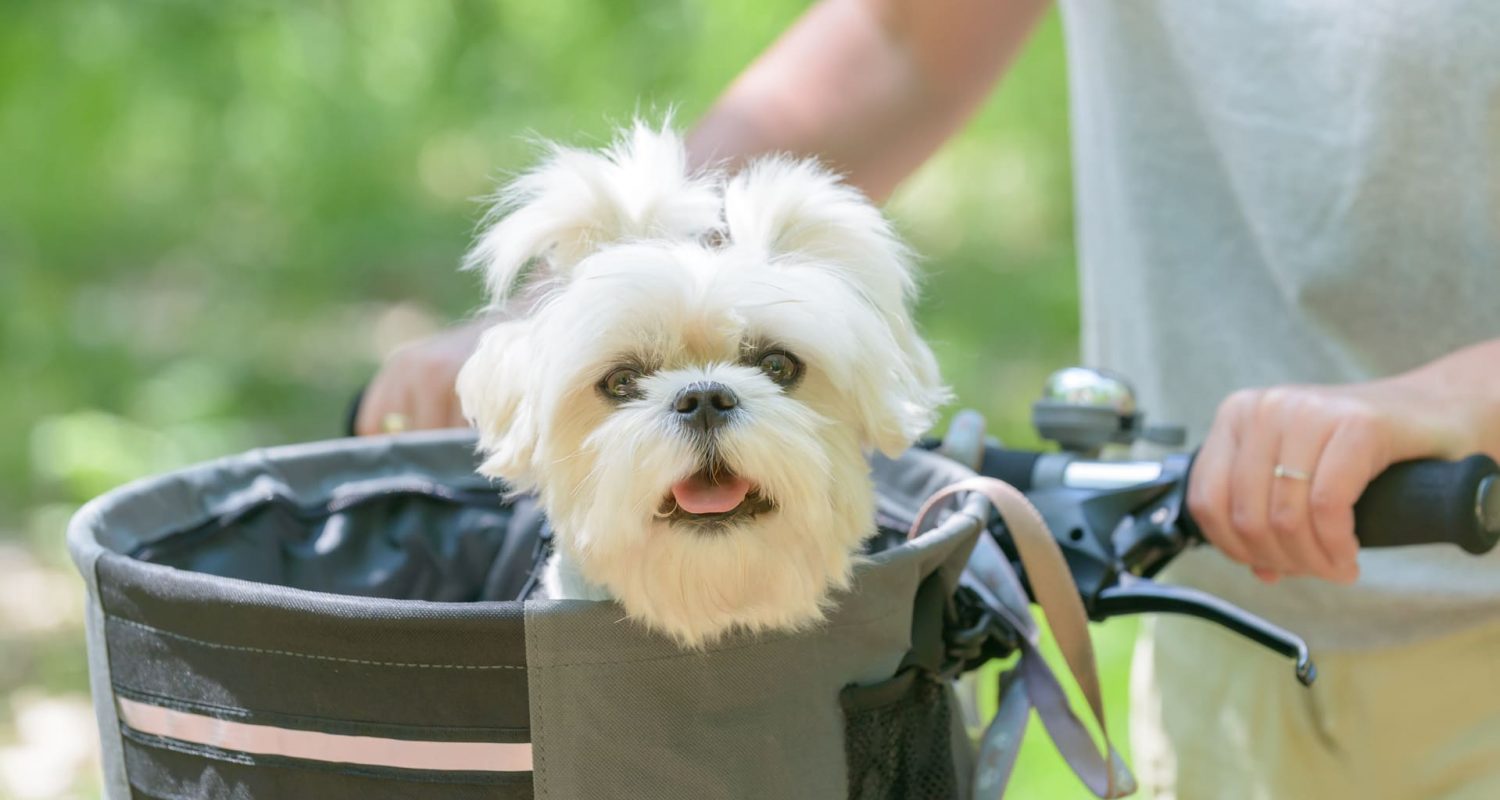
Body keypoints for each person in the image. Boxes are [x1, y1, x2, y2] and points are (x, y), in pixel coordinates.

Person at [357, 2, 1500, 796]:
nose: (704, 403)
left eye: (776, 365)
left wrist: (1448, 399)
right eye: (626, 383)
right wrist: (567, 310)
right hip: (1227, 589)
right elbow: (909, 39)